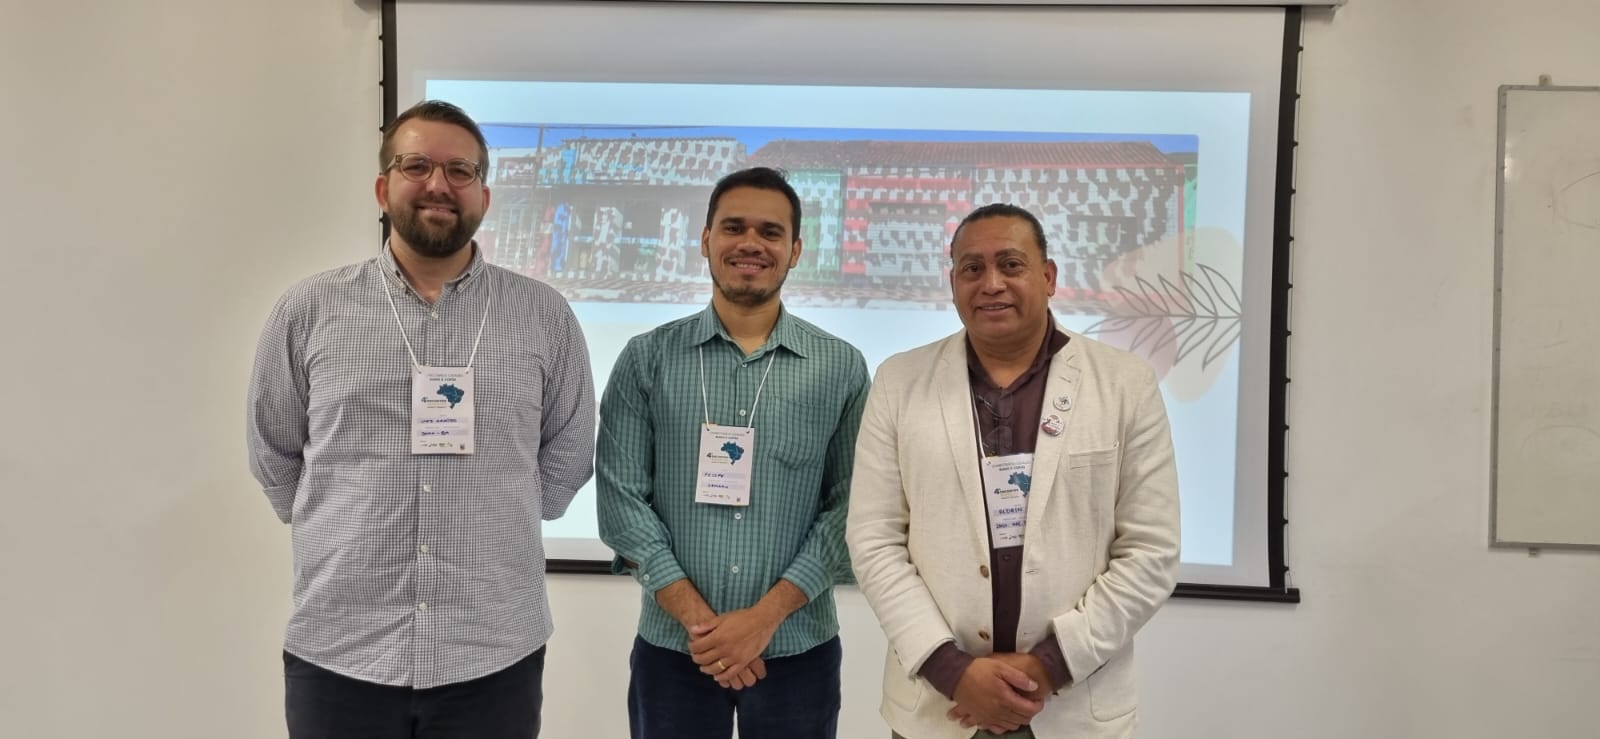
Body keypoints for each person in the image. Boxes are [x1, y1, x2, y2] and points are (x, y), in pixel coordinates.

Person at [246, 99, 595, 738]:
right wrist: (339, 517)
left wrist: (500, 507)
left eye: (460, 171)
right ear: (384, 188)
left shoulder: (544, 316)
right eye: (417, 166)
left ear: (484, 196)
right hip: (342, 649)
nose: (439, 184)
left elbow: (568, 455)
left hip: (493, 650)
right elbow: (274, 452)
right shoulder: (309, 311)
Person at [847, 204, 1180, 738]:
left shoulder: (1124, 385)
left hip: (1073, 708)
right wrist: (952, 672)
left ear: (1048, 277)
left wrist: (1049, 665)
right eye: (972, 268)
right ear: (952, 281)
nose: (991, 283)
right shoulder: (898, 383)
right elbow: (874, 539)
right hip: (938, 709)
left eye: (1011, 264)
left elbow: (1150, 551)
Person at [596, 167, 869, 738]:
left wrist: (761, 621)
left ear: (795, 250)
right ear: (705, 240)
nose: (751, 243)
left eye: (770, 232)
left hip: (798, 649)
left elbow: (851, 506)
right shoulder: (647, 359)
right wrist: (707, 628)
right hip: (675, 650)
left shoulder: (840, 367)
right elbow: (622, 501)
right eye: (733, 227)